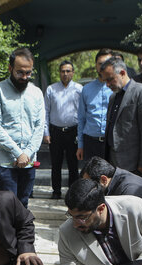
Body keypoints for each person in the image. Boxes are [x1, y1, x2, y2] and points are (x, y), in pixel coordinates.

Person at [81, 156, 142, 263]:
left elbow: (126, 232)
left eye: (91, 186)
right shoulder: (118, 181)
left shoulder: (130, 191)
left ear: (104, 179)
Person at [0, 48, 44, 208]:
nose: (24, 77)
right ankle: (8, 234)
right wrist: (18, 153)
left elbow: (39, 126)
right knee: (8, 206)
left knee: (23, 204)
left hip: (29, 160)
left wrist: (27, 153)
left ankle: (22, 233)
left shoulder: (36, 93)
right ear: (10, 68)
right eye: (20, 73)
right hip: (5, 163)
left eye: (28, 73)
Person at [100, 57, 142, 176]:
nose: (108, 84)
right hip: (113, 162)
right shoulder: (113, 97)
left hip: (133, 164)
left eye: (110, 79)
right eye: (105, 81)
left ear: (122, 73)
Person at [43, 60, 82, 199]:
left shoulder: (79, 89)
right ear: (59, 73)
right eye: (63, 71)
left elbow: (82, 113)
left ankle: (72, 193)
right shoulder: (51, 89)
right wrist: (46, 132)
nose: (65, 74)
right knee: (56, 163)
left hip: (73, 131)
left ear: (73, 72)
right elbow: (45, 111)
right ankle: (56, 191)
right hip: (56, 132)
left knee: (73, 164)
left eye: (68, 71)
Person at [76, 48, 113, 161]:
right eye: (100, 64)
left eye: (106, 64)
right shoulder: (86, 89)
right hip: (90, 143)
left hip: (110, 143)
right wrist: (80, 145)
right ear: (96, 65)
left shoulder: (116, 89)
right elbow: (81, 118)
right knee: (90, 177)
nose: (103, 67)